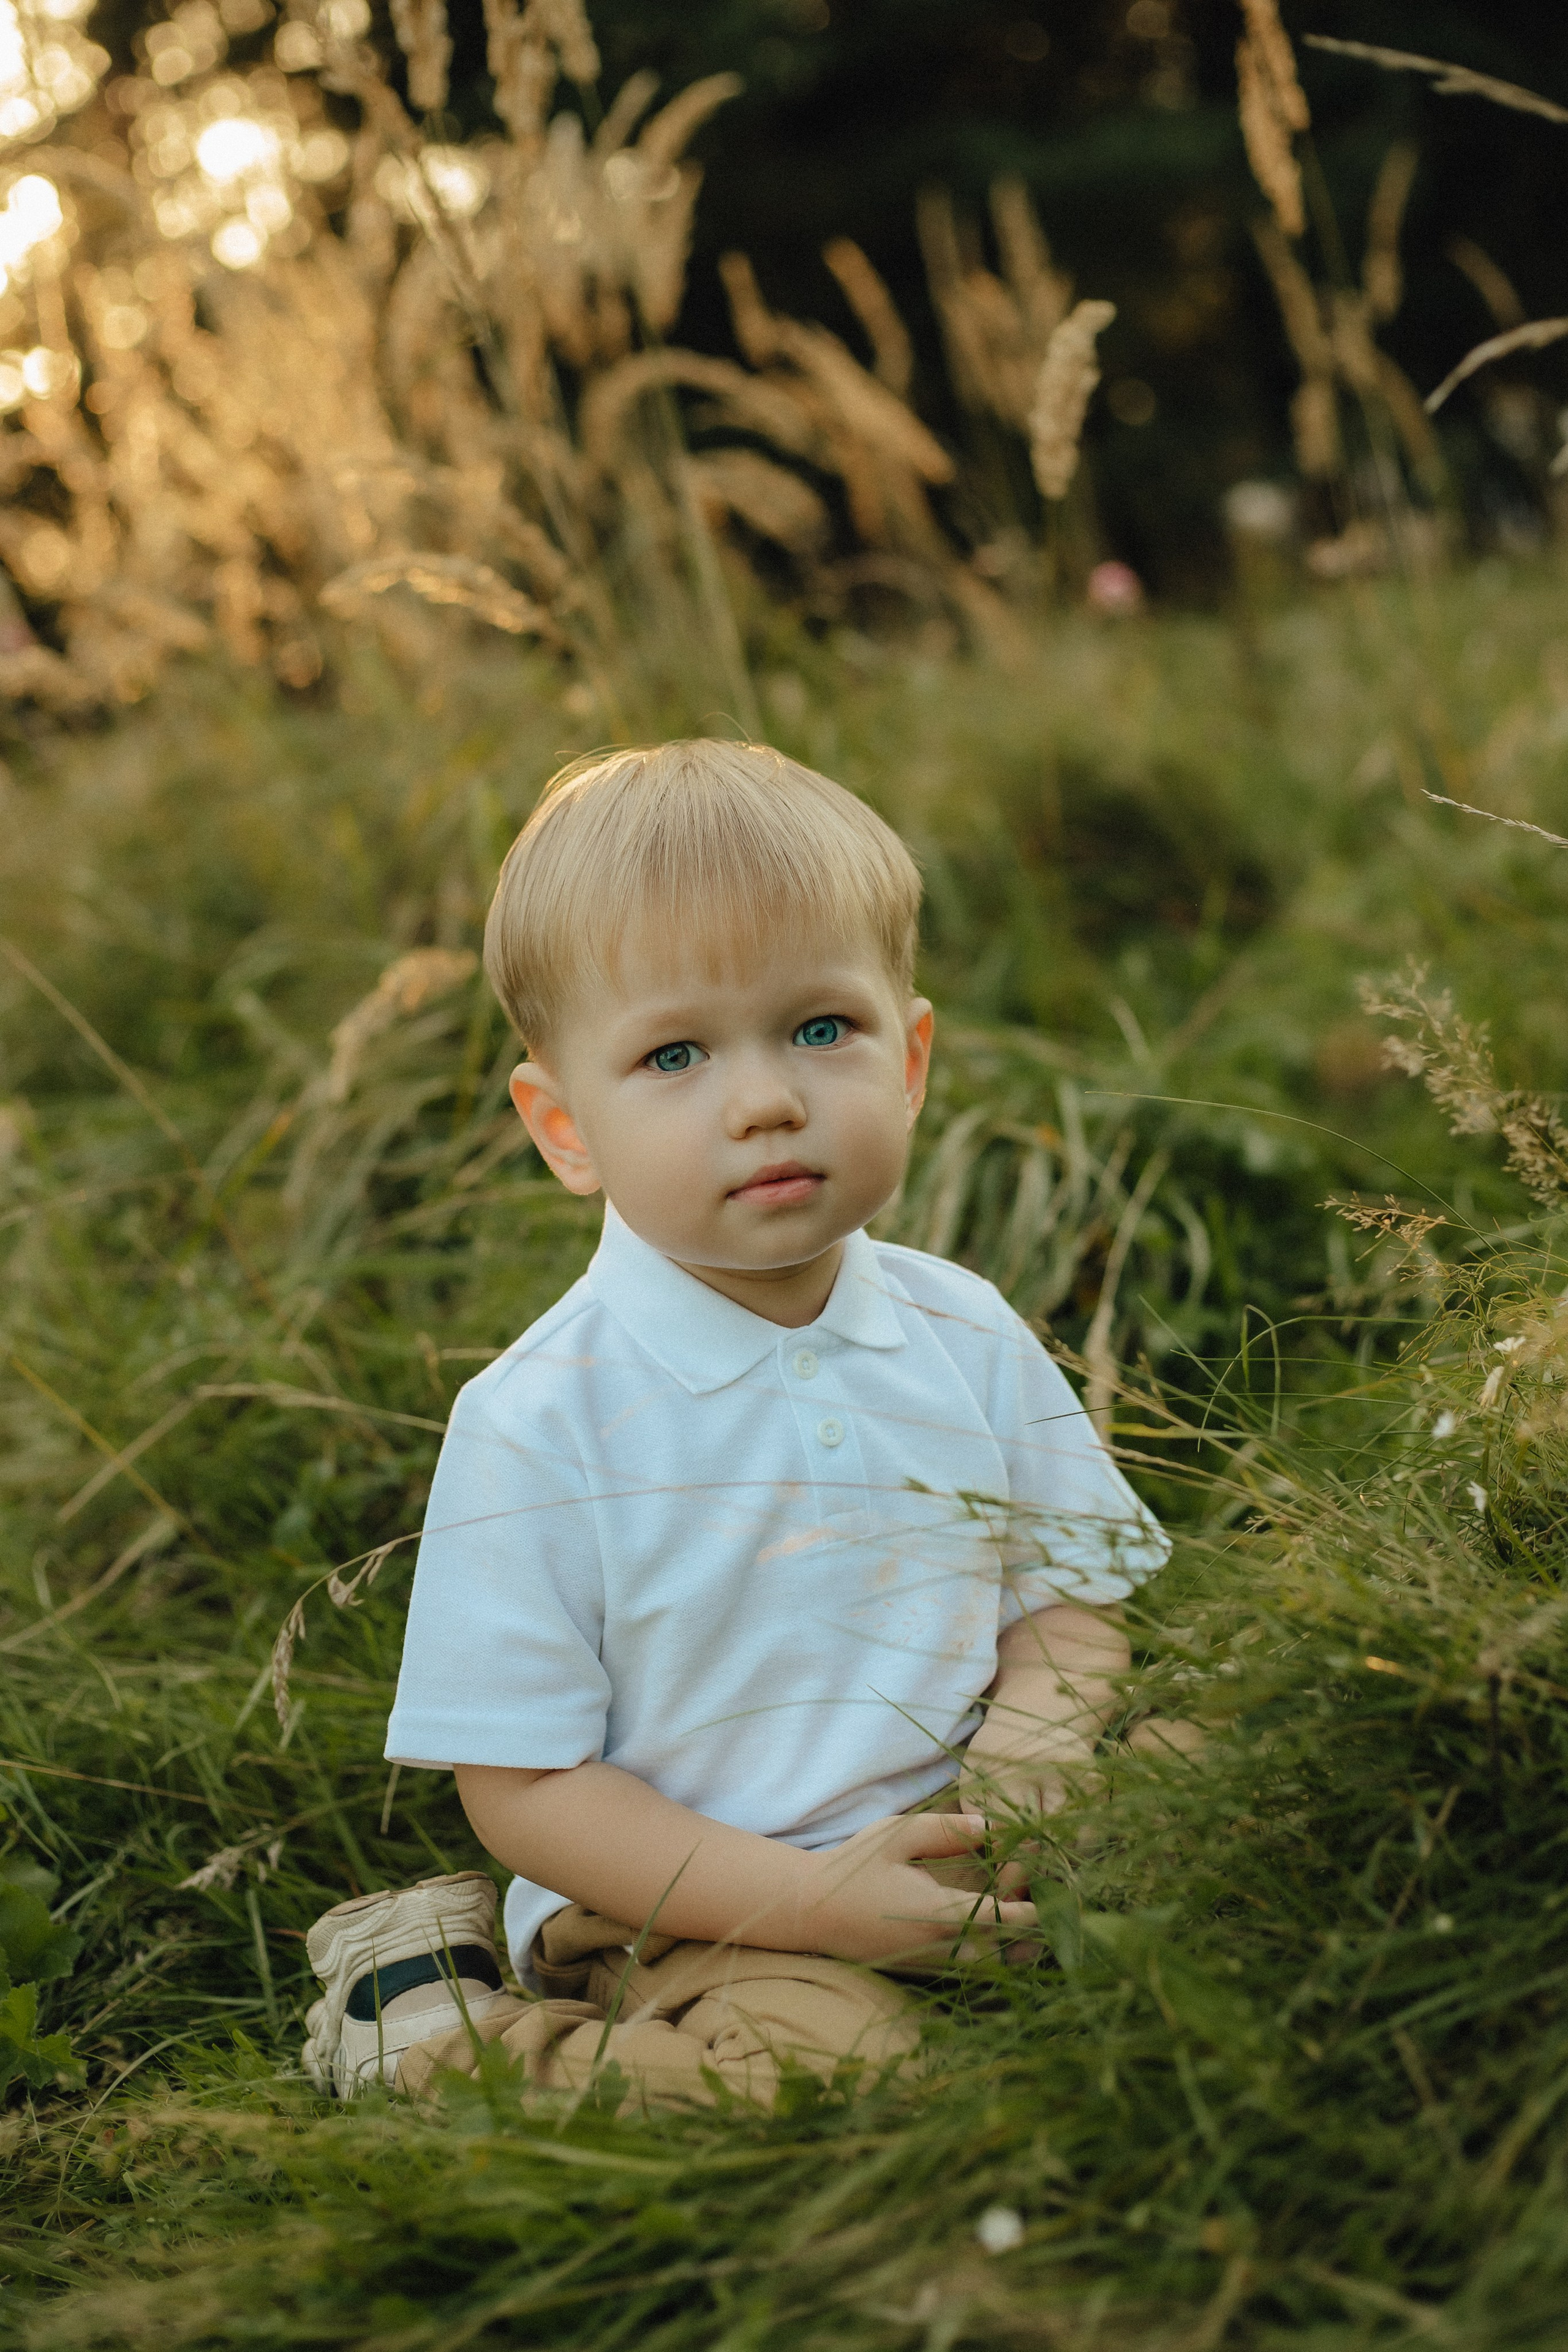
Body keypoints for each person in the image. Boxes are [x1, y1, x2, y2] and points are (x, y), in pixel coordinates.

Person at [301, 739, 1171, 2111]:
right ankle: (436, 2035)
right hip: (698, 1899)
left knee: (1243, 1805)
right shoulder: (542, 1420)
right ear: (564, 1127)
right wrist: (811, 1901)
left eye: (821, 1029)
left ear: (912, 1058)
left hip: (972, 1838)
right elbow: (526, 1790)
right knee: (847, 2087)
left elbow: (1065, 1615)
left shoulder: (963, 1331)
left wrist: (1034, 1760)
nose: (765, 1097)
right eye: (674, 1053)